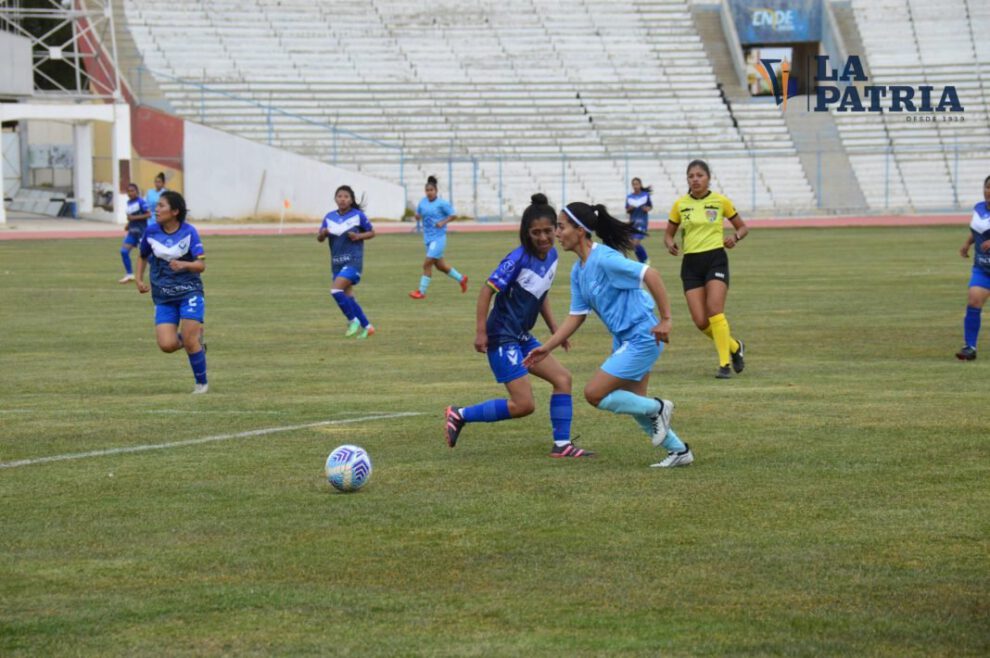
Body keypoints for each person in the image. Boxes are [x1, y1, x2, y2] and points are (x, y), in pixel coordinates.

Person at [522, 202, 693, 468]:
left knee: (594, 394)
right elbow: (576, 315)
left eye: (561, 226)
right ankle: (679, 451)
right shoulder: (579, 270)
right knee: (636, 405)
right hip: (626, 340)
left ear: (580, 230)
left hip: (642, 336)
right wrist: (548, 347)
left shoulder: (604, 258)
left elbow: (651, 274)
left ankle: (659, 407)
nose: (557, 233)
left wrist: (667, 319)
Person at [444, 194, 590, 457]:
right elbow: (486, 291)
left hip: (522, 337)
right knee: (524, 405)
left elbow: (540, 295)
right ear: (526, 233)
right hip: (501, 337)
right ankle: (460, 414)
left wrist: (556, 331)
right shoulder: (517, 259)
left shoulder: (553, 256)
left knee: (563, 379)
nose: (543, 237)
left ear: (556, 229)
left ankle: (562, 445)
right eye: (536, 232)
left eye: (548, 230)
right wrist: (480, 332)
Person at [664, 159, 748, 379]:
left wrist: (735, 237)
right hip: (691, 264)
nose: (695, 179)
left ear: (708, 178)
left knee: (714, 310)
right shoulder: (680, 204)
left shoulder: (720, 201)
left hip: (715, 260)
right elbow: (668, 233)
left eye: (699, 175)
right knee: (701, 321)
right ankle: (734, 347)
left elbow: (742, 227)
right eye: (691, 176)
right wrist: (669, 243)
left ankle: (724, 365)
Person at [134, 191, 209, 394]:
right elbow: (142, 256)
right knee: (166, 345)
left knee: (189, 340)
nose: (155, 209)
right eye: (156, 206)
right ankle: (194, 337)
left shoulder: (189, 232)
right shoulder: (151, 232)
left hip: (189, 292)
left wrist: (184, 264)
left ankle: (201, 384)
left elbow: (201, 266)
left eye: (161, 206)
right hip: (163, 296)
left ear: (175, 211)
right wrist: (139, 279)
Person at [318, 185, 376, 339]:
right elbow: (319, 238)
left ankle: (353, 321)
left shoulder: (358, 215)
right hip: (336, 263)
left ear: (351, 200)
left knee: (335, 291)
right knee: (349, 297)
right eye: (339, 196)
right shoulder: (329, 217)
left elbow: (372, 232)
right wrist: (323, 233)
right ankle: (368, 327)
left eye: (346, 197)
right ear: (335, 198)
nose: (342, 199)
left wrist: (358, 237)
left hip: (353, 261)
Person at [408, 175, 468, 299]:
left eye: (431, 190)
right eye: (427, 190)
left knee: (427, 263)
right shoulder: (423, 202)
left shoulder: (442, 203)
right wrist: (417, 216)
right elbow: (419, 213)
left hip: (438, 238)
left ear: (436, 191)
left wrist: (443, 222)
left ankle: (421, 292)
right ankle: (461, 278)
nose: (429, 193)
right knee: (440, 266)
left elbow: (453, 215)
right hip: (428, 238)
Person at [955, 174, 990, 360]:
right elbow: (976, 230)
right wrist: (967, 243)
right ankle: (970, 347)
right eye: (988, 187)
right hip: (983, 268)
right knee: (973, 302)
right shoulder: (978, 208)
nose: (989, 192)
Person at [117, 183, 150, 283]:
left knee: (148, 257)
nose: (130, 193)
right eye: (128, 191)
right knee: (123, 251)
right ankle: (130, 274)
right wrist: (129, 224)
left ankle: (161, 273)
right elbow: (131, 216)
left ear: (137, 191)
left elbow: (148, 214)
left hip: (142, 233)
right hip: (132, 233)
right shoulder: (129, 203)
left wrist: (133, 218)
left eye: (132, 191)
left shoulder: (141, 202)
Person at [625, 177, 653, 264]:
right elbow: (627, 210)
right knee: (631, 244)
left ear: (640, 185)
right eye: (633, 184)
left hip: (642, 222)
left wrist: (646, 209)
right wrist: (631, 208)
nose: (635, 186)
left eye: (637, 184)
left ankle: (645, 260)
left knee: (635, 243)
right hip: (633, 224)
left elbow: (650, 206)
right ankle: (642, 261)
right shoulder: (629, 197)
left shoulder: (645, 195)